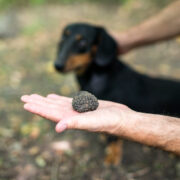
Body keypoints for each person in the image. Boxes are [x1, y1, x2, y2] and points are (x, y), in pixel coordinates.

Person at [21, 1, 180, 155]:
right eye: (65, 40)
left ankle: (114, 149)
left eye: (82, 43)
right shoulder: (92, 80)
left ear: (99, 47)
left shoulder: (108, 84)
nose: (61, 60)